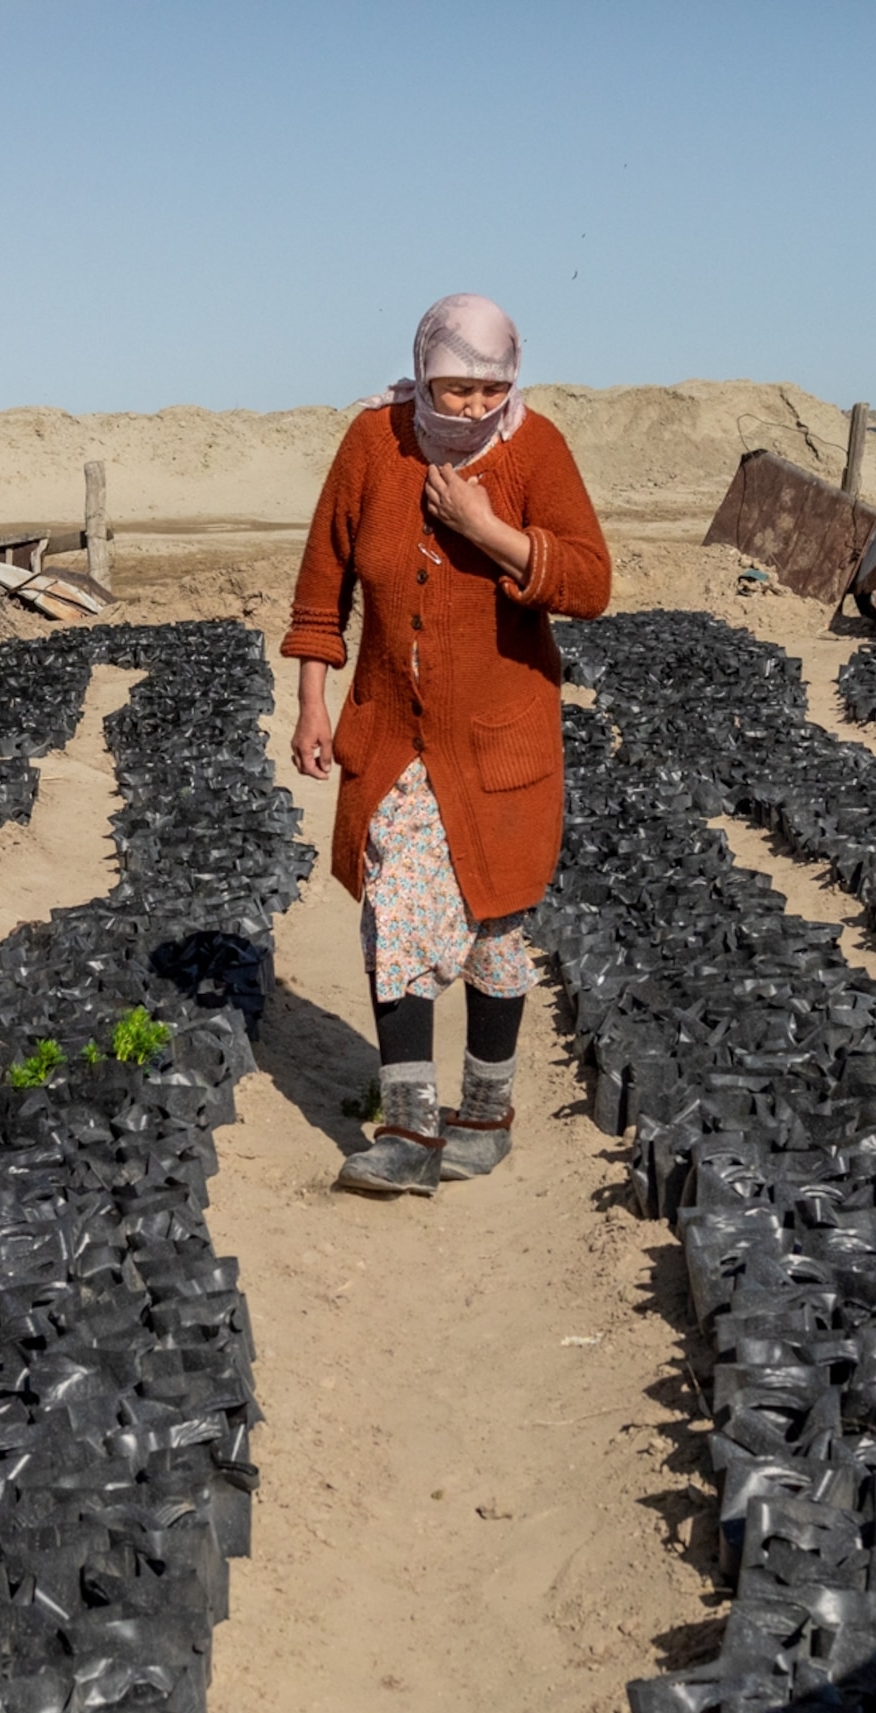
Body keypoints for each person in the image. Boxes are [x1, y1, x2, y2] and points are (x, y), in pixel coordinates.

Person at [284, 293, 611, 1196]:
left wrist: (488, 532)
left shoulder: (534, 450)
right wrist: (313, 703)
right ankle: (409, 1129)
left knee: (496, 930)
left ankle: (487, 1112)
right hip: (392, 737)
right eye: (452, 387)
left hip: (499, 745)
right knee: (396, 914)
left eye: (485, 389)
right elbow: (323, 586)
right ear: (422, 372)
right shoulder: (372, 445)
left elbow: (589, 580)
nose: (468, 407)